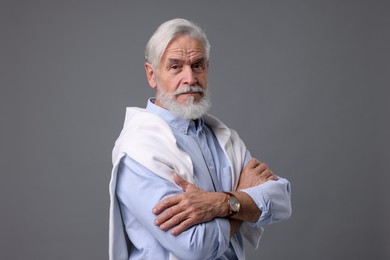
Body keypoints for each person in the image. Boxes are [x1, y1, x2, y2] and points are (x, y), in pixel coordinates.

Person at [109, 18, 292, 260]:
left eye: (197, 66)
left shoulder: (223, 137)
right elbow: (195, 247)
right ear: (152, 75)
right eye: (176, 67)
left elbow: (282, 200)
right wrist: (244, 196)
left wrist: (220, 203)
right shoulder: (139, 151)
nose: (191, 79)